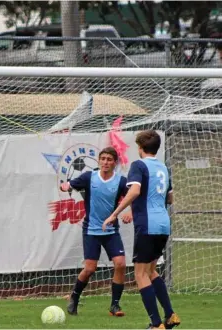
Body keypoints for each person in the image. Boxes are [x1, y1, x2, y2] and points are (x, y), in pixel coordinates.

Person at [103, 130, 181, 329]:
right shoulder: (163, 167)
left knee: (140, 274)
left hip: (148, 224)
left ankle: (155, 324)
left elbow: (135, 191)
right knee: (152, 271)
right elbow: (170, 198)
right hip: (163, 223)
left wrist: (114, 214)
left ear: (140, 148)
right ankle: (170, 315)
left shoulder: (138, 165)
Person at [60, 147, 131, 317]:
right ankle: (74, 298)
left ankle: (114, 305)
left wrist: (130, 212)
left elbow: (134, 197)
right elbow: (70, 184)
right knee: (90, 269)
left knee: (120, 264)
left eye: (109, 159)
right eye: (103, 159)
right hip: (91, 231)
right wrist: (65, 186)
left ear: (115, 162)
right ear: (99, 161)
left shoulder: (121, 181)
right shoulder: (89, 177)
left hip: (111, 231)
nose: (106, 162)